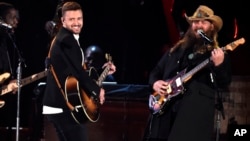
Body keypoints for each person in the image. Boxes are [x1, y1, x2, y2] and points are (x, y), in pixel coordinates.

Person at [142, 5, 232, 141]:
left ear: (212, 27)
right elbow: (156, 71)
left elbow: (224, 83)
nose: (198, 25)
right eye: (195, 22)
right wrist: (155, 83)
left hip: (192, 119)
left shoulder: (216, 54)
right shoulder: (175, 51)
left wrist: (218, 65)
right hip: (164, 116)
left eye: (204, 22)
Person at [42, 2, 116, 141]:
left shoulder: (65, 38)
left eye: (79, 19)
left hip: (60, 103)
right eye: (71, 19)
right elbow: (78, 72)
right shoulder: (67, 40)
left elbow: (74, 70)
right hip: (63, 105)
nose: (76, 23)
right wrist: (97, 90)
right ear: (63, 20)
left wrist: (103, 71)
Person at [0, 2, 21, 140]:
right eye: (12, 17)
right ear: (1, 20)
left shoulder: (6, 42)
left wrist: (10, 81)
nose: (16, 21)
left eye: (17, 18)